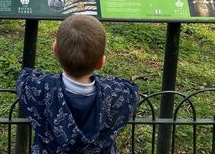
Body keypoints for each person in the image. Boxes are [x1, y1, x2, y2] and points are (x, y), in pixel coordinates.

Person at [16, 15, 139, 154]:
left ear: (55, 49)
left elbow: (24, 77)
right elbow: (131, 89)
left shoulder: (37, 87)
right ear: (101, 62)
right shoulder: (119, 95)